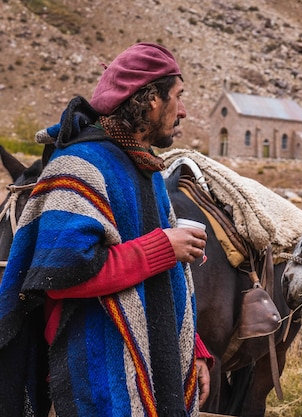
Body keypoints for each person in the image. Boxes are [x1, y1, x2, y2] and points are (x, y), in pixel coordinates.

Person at [0, 43, 212, 417]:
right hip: (103, 381)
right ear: (150, 100)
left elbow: (161, 276)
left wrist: (193, 348)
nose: (183, 110)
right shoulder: (80, 167)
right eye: (177, 98)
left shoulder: (146, 168)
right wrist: (164, 246)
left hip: (158, 363)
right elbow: (63, 276)